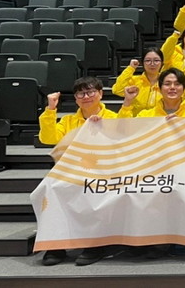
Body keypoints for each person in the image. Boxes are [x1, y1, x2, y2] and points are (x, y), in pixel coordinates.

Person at [38, 76, 119, 266]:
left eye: (90, 92)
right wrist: (51, 109)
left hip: (104, 172)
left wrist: (103, 127)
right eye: (81, 93)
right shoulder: (68, 121)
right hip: (71, 172)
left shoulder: (114, 118)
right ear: (75, 98)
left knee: (91, 190)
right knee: (49, 189)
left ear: (100, 94)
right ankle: (55, 244)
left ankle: (94, 245)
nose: (86, 97)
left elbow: (122, 143)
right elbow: (48, 138)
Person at [119, 68, 185, 118]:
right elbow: (124, 132)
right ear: (160, 88)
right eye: (167, 84)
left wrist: (182, 126)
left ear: (184, 88)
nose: (172, 87)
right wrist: (127, 101)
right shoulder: (146, 116)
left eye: (177, 84)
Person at [111, 48, 163, 116]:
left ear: (162, 62)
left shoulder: (166, 82)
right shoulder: (134, 81)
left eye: (156, 60)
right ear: (142, 63)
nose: (152, 64)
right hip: (136, 120)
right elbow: (117, 90)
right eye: (148, 60)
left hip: (160, 121)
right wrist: (131, 68)